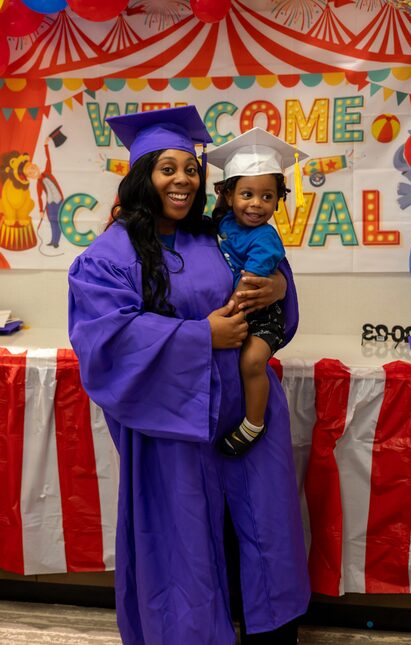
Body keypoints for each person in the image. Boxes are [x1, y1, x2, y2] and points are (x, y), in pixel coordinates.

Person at [68, 106, 310, 645]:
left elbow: (272, 291)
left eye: (192, 169)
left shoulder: (215, 234)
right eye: (167, 168)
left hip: (247, 421)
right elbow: (104, 342)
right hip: (173, 430)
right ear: (142, 177)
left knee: (260, 535)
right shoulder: (109, 255)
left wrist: (279, 289)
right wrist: (202, 336)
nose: (182, 180)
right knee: (188, 549)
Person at [207, 127, 306, 457]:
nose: (256, 204)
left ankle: (254, 422)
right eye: (247, 194)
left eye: (267, 196)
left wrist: (230, 312)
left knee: (251, 361)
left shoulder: (264, 238)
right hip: (237, 315)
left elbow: (251, 285)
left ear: (278, 200)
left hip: (261, 315)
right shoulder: (221, 223)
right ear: (228, 194)